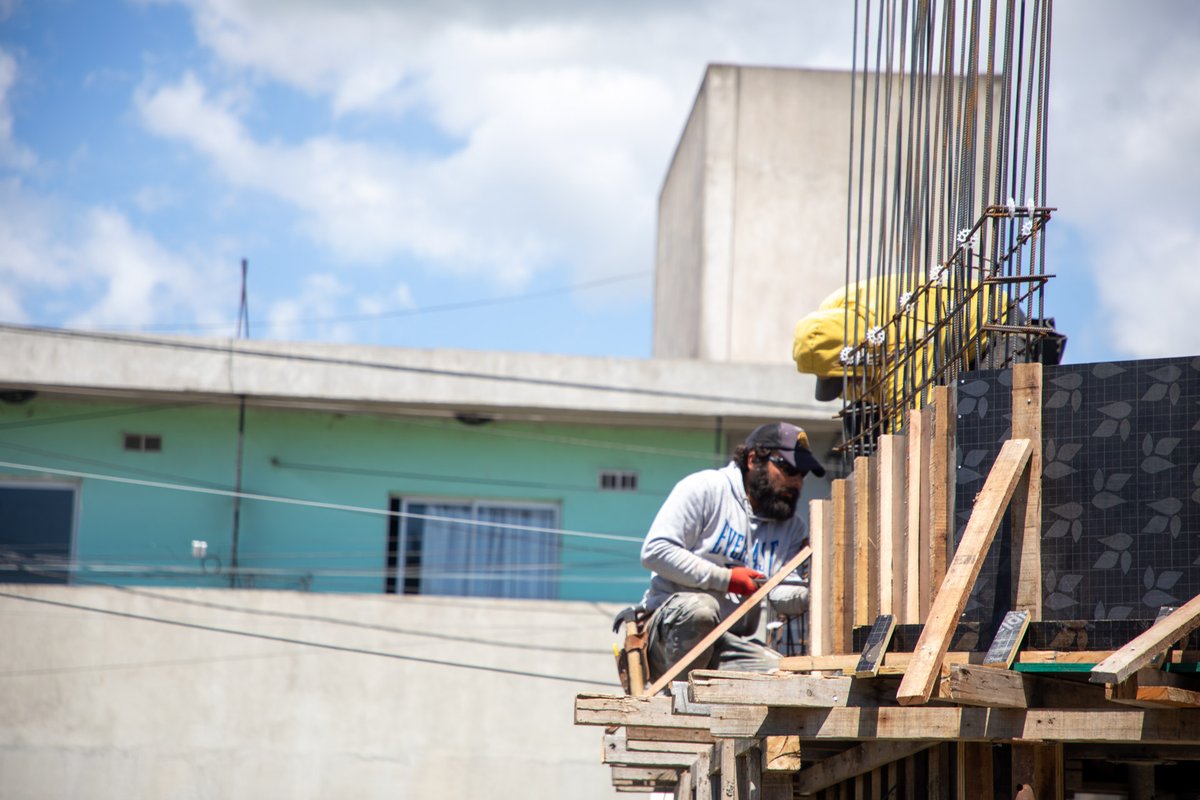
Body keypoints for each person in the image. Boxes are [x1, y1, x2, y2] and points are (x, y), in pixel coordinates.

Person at [638, 421, 825, 681]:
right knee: (701, 609)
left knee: (783, 676)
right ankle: (679, 695)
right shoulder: (706, 489)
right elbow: (655, 551)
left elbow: (779, 593)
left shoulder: (792, 528)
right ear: (753, 460)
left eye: (803, 474)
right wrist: (726, 579)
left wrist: (816, 587)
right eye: (789, 468)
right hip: (668, 636)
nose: (796, 481)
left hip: (727, 640)